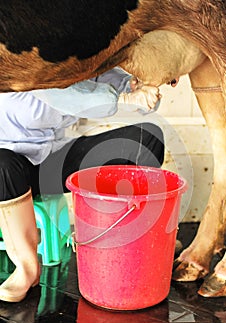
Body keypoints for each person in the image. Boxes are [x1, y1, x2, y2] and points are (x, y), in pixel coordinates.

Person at [0, 67, 164, 303]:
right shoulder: (24, 65)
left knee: (147, 138)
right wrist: (123, 98)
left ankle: (138, 239)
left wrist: (143, 84)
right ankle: (26, 268)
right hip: (10, 166)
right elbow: (67, 95)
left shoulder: (80, 65)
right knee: (2, 163)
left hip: (49, 160)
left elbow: (125, 86)